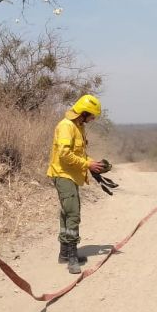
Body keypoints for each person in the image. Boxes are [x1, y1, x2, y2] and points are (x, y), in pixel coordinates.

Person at [46, 94, 106, 274]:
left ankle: (64, 253)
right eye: (92, 116)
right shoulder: (66, 126)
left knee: (66, 213)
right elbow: (64, 154)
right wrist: (87, 164)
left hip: (71, 175)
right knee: (73, 214)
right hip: (62, 174)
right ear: (84, 112)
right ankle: (72, 255)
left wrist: (94, 165)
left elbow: (79, 154)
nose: (93, 119)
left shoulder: (79, 127)